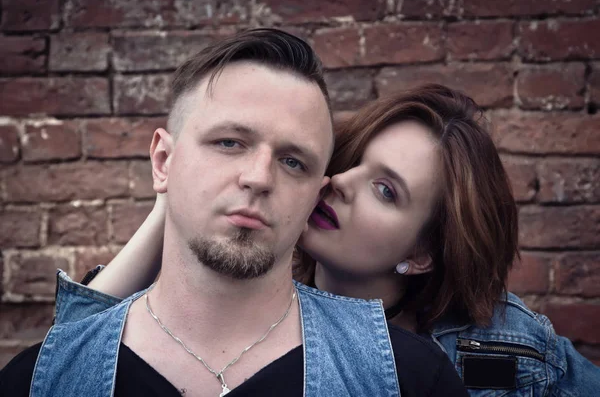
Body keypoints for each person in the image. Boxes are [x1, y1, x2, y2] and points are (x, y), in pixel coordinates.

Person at [33, 83, 600, 396]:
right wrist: (172, 191)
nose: (339, 185)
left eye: (385, 190)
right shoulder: (251, 286)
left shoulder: (501, 349)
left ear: (421, 253)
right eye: (350, 164)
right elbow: (74, 363)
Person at [0, 30, 468, 397]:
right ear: (164, 161)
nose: (259, 177)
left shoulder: (410, 379)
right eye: (229, 142)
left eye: (292, 161)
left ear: (314, 196)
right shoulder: (40, 381)